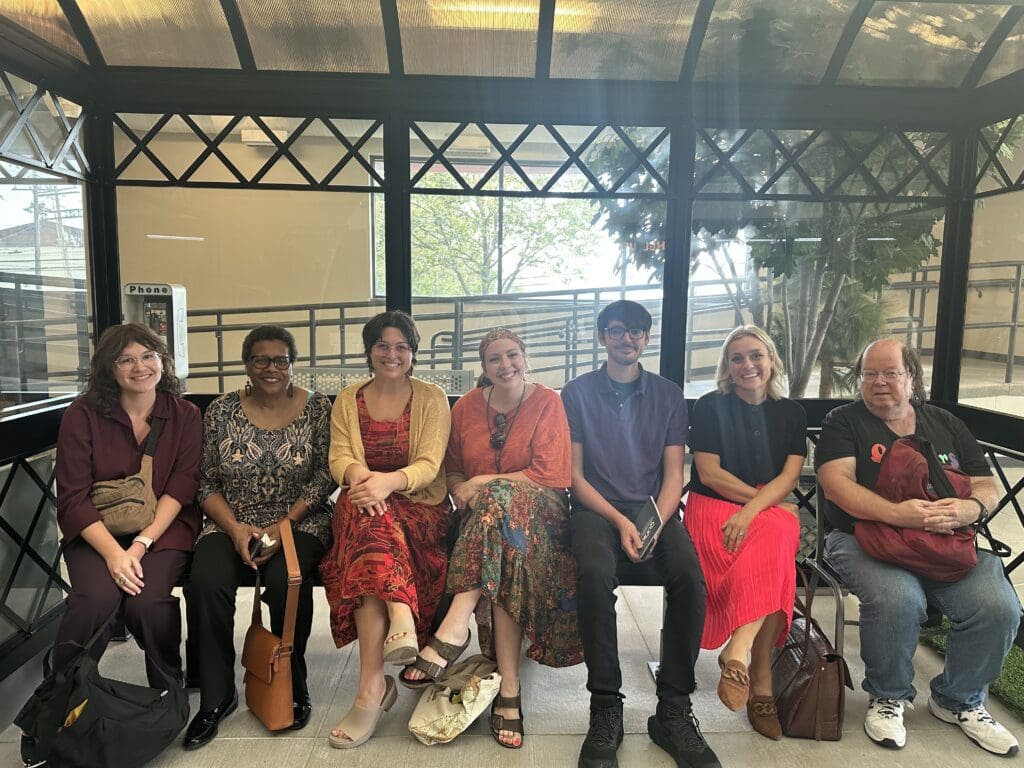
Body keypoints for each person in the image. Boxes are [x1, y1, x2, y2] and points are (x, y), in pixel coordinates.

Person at [816, 338, 1021, 756]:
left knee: (998, 606)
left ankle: (958, 700)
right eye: (869, 374)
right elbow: (836, 486)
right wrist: (897, 514)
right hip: (860, 537)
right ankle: (888, 696)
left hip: (944, 541)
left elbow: (984, 483)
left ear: (912, 376)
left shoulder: (944, 422)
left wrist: (969, 508)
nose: (878, 382)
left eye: (890, 372)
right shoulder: (844, 421)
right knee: (899, 597)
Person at [401, 328, 582, 749]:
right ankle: (509, 695)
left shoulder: (547, 401)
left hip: (543, 517)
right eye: (495, 359)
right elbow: (452, 472)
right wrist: (468, 487)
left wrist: (485, 481)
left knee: (498, 499)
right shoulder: (465, 408)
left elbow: (552, 475)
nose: (506, 365)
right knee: (500, 543)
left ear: (525, 357)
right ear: (483, 367)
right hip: (486, 524)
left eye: (512, 355)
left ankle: (453, 627)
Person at [561, 300, 720, 768]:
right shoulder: (577, 392)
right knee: (592, 575)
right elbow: (574, 476)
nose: (625, 339)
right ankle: (605, 707)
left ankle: (673, 710)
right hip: (595, 509)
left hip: (656, 509)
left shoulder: (669, 395)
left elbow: (675, 474)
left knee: (690, 578)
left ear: (646, 339)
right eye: (616, 331)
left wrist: (654, 522)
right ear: (601, 337)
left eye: (635, 332)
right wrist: (621, 522)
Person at [183, 325, 335, 750]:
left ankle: (292, 681)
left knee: (285, 585)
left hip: (301, 521)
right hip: (232, 520)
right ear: (246, 364)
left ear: (293, 363)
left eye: (281, 360)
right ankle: (216, 697)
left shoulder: (317, 407)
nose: (272, 368)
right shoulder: (220, 412)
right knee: (206, 583)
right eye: (261, 360)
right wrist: (234, 529)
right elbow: (206, 481)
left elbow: (326, 475)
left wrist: (283, 523)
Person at [319, 311, 452, 749]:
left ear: (413, 353)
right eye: (382, 345)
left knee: (369, 533)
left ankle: (371, 691)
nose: (391, 354)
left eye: (401, 346)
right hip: (362, 503)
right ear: (369, 350)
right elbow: (339, 457)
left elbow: (430, 466)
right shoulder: (348, 398)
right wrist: (362, 476)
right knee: (368, 522)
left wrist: (387, 482)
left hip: (419, 508)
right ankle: (399, 615)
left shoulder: (432, 398)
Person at [54, 323, 201, 688]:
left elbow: (182, 488)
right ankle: (64, 695)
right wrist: (113, 555)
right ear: (109, 368)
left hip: (161, 529)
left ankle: (168, 691)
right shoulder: (82, 415)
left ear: (163, 361)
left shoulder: (184, 415)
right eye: (126, 360)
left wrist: (139, 546)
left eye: (149, 356)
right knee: (93, 599)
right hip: (96, 530)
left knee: (148, 602)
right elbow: (72, 495)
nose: (141, 367)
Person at [685, 325, 805, 739]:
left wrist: (752, 509)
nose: (747, 364)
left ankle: (739, 654)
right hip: (712, 511)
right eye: (737, 358)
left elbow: (789, 476)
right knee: (780, 539)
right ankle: (761, 682)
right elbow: (709, 473)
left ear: (771, 359)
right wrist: (758, 505)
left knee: (776, 536)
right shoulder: (708, 406)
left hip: (760, 510)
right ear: (727, 366)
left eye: (756, 355)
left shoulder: (791, 413)